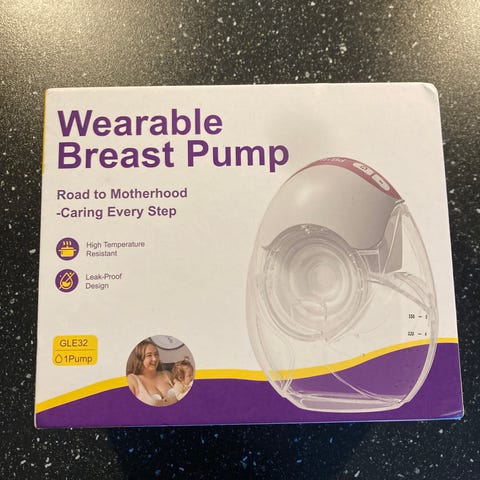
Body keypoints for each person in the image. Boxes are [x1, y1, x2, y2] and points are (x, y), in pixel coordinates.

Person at [126, 339, 175, 406]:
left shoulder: (167, 374)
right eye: (149, 355)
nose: (155, 359)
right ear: (139, 358)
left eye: (156, 354)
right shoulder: (132, 380)